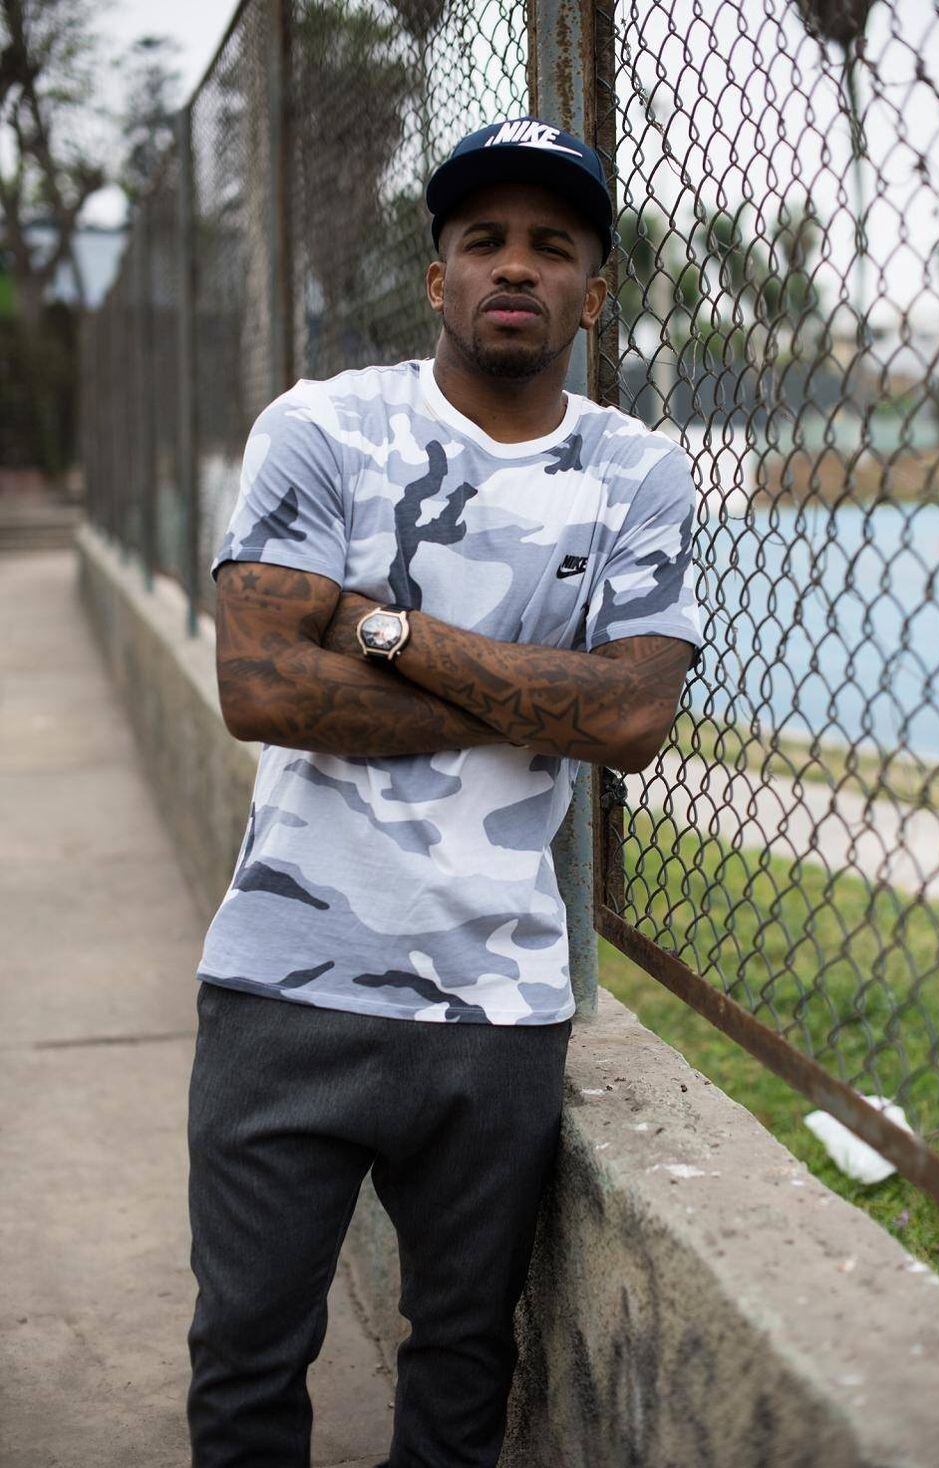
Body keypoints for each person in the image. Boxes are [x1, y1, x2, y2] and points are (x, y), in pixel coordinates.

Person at [186, 115, 704, 1468]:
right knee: (246, 1357)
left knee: (465, 1363)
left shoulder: (637, 473)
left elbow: (634, 720)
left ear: (595, 292)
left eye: (553, 246)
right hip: (287, 983)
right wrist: (538, 700)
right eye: (484, 241)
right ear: (438, 278)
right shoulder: (324, 427)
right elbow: (261, 688)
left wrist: (382, 627)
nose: (515, 265)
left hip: (499, 1005)